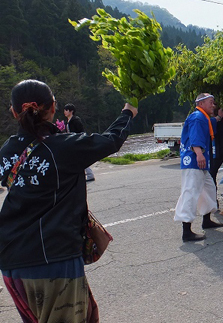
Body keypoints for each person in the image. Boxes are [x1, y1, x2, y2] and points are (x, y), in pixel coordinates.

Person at [0, 79, 137, 322]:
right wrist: (128, 111)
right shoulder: (63, 147)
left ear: (13, 112)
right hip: (54, 260)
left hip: (12, 263)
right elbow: (111, 140)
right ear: (53, 107)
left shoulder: (7, 151)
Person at [174, 93, 223, 242]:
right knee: (190, 192)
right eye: (211, 102)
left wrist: (219, 118)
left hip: (199, 161)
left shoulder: (204, 117)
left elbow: (211, 124)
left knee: (209, 189)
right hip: (194, 161)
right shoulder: (197, 117)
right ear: (201, 103)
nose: (213, 105)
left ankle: (206, 220)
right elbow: (195, 137)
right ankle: (186, 231)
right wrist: (199, 154)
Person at [63, 103, 95, 182]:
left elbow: (81, 131)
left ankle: (89, 175)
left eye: (66, 110)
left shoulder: (75, 120)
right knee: (78, 159)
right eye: (65, 110)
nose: (65, 112)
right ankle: (85, 175)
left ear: (71, 111)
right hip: (73, 143)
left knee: (81, 159)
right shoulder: (69, 121)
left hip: (78, 142)